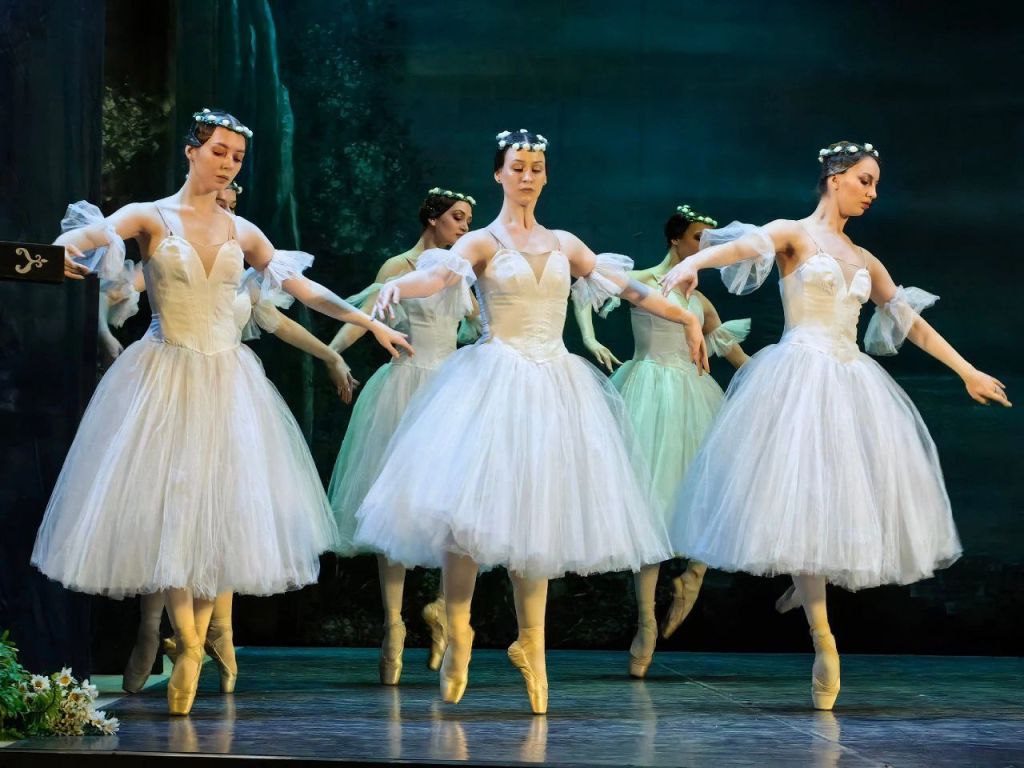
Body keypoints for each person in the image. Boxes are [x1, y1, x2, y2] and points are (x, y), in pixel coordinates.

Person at [32, 108, 412, 715]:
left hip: (229, 380)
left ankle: (195, 641)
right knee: (176, 508)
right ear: (192, 151)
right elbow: (86, 237)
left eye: (237, 156)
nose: (228, 163)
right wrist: (59, 253)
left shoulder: (245, 231)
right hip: (165, 375)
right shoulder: (150, 216)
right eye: (219, 151)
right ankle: (185, 641)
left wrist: (368, 323)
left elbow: (306, 292)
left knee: (220, 512)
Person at [354, 129, 708, 714]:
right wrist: (395, 284)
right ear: (499, 173)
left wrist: (687, 318)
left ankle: (532, 646)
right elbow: (438, 277)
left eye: (536, 167)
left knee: (536, 514)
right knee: (466, 517)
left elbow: (629, 290)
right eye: (518, 166)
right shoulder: (482, 241)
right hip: (493, 379)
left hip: (554, 384)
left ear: (546, 175)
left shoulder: (565, 243)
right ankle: (460, 630)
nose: (527, 176)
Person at [659, 140, 1011, 710]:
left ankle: (807, 591)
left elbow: (909, 322)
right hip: (798, 375)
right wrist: (692, 264)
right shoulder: (794, 234)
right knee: (802, 498)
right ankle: (824, 640)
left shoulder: (865, 259)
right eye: (865, 181)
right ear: (835, 178)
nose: (872, 193)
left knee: (834, 502)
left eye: (876, 185)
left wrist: (967, 370)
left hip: (851, 381)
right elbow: (744, 246)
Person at [574, 203, 749, 676]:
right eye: (697, 239)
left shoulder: (701, 301)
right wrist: (589, 338)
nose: (704, 248)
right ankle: (647, 622)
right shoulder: (644, 281)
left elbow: (732, 352)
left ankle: (694, 574)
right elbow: (583, 287)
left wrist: (775, 379)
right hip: (647, 391)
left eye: (710, 242)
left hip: (693, 396)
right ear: (676, 239)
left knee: (707, 492)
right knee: (648, 506)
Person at [327, 187, 476, 683]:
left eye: (469, 220)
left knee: (453, 508)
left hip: (450, 392)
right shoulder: (398, 266)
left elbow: (480, 320)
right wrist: (334, 352)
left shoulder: (462, 267)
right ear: (432, 217)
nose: (465, 227)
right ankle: (393, 625)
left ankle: (443, 609)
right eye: (458, 217)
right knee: (394, 506)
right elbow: (367, 315)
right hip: (405, 388)